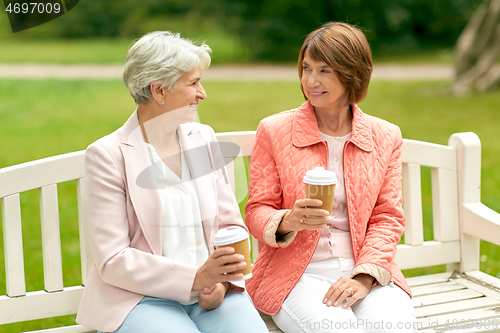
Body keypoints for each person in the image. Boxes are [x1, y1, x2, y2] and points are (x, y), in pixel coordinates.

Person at [76, 31, 268, 333]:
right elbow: (114, 259)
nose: (202, 93)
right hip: (139, 300)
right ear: (159, 91)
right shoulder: (108, 155)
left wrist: (223, 280)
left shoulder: (201, 137)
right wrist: (195, 278)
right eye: (193, 83)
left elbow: (229, 226)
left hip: (210, 295)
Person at [245, 22, 417, 332]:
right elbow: (257, 209)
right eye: (306, 68)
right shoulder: (273, 130)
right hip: (296, 275)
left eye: (325, 71)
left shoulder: (385, 136)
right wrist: (287, 220)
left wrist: (363, 277)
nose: (311, 81)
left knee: (394, 327)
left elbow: (387, 217)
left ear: (352, 73)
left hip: (366, 269)